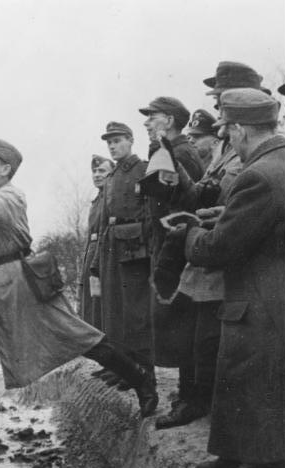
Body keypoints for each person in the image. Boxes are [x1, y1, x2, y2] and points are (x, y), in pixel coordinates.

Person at [0, 128, 158, 416]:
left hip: (23, 285)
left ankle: (140, 379)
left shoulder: (10, 197)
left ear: (5, 169)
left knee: (82, 339)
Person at [179, 89, 285, 468]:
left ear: (241, 129)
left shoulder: (258, 176)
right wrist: (224, 215)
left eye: (228, 131)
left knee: (274, 424)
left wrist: (189, 232)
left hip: (265, 314)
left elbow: (219, 251)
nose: (229, 140)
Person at [173, 62, 271, 468]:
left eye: (223, 106)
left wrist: (193, 231)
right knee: (229, 361)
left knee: (245, 370)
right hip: (238, 267)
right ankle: (237, 452)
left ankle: (257, 464)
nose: (218, 117)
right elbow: (230, 200)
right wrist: (208, 214)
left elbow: (249, 202)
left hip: (247, 274)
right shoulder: (237, 151)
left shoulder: (260, 157)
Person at [138, 97, 204, 428]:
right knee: (179, 323)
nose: (147, 123)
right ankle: (186, 394)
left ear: (172, 120)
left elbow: (187, 207)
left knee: (185, 323)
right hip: (168, 248)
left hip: (179, 251)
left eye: (153, 117)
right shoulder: (166, 151)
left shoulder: (182, 153)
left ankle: (191, 399)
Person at [93, 122, 157, 406]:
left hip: (134, 249)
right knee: (116, 314)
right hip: (112, 247)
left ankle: (147, 376)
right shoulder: (113, 175)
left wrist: (145, 245)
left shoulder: (141, 169)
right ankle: (128, 371)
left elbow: (149, 212)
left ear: (131, 141)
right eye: (109, 142)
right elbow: (104, 219)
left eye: (118, 140)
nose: (113, 146)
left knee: (136, 316)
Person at [78, 154, 113, 328]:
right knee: (91, 301)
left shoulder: (111, 198)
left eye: (102, 171)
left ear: (111, 174)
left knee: (100, 303)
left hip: (103, 255)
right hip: (91, 253)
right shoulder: (97, 200)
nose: (97, 174)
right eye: (94, 171)